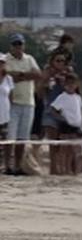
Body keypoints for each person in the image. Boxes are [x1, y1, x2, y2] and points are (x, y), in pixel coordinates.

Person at [5, 35, 41, 176]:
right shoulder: (6, 59)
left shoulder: (29, 58)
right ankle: (8, 165)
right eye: (15, 44)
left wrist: (19, 75)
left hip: (28, 102)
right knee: (10, 137)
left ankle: (18, 166)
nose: (18, 47)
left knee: (22, 137)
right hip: (13, 103)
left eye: (20, 44)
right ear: (11, 46)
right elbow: (6, 75)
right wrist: (25, 75)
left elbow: (38, 74)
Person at [47, 73, 82, 175]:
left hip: (76, 125)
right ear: (65, 85)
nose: (71, 86)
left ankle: (70, 170)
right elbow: (52, 109)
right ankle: (63, 170)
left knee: (73, 150)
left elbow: (81, 110)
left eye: (73, 83)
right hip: (66, 126)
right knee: (64, 149)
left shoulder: (78, 97)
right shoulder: (62, 97)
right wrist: (61, 118)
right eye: (68, 84)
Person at [0, 57, 11, 175]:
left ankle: (6, 166)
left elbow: (10, 97)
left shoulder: (8, 79)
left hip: (4, 114)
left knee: (6, 141)